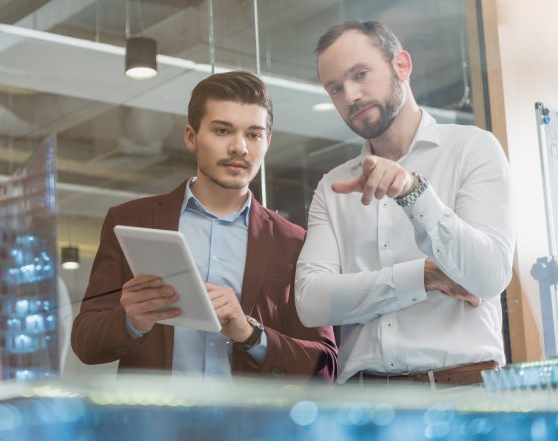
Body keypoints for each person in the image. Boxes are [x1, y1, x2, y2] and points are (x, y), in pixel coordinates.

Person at [72, 71, 337, 381]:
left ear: (267, 141)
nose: (240, 147)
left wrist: (250, 334)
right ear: (191, 137)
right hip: (153, 426)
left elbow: (326, 365)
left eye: (253, 134)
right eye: (223, 130)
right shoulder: (130, 220)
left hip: (249, 428)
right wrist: (130, 320)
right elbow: (85, 343)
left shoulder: (293, 242)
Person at [295, 21, 515, 386]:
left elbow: (489, 275)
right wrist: (424, 276)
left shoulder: (473, 149)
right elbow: (311, 301)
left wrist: (413, 192)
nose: (350, 96)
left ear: (402, 66)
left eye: (360, 74)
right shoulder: (332, 187)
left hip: (462, 395)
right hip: (365, 404)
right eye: (335, 88)